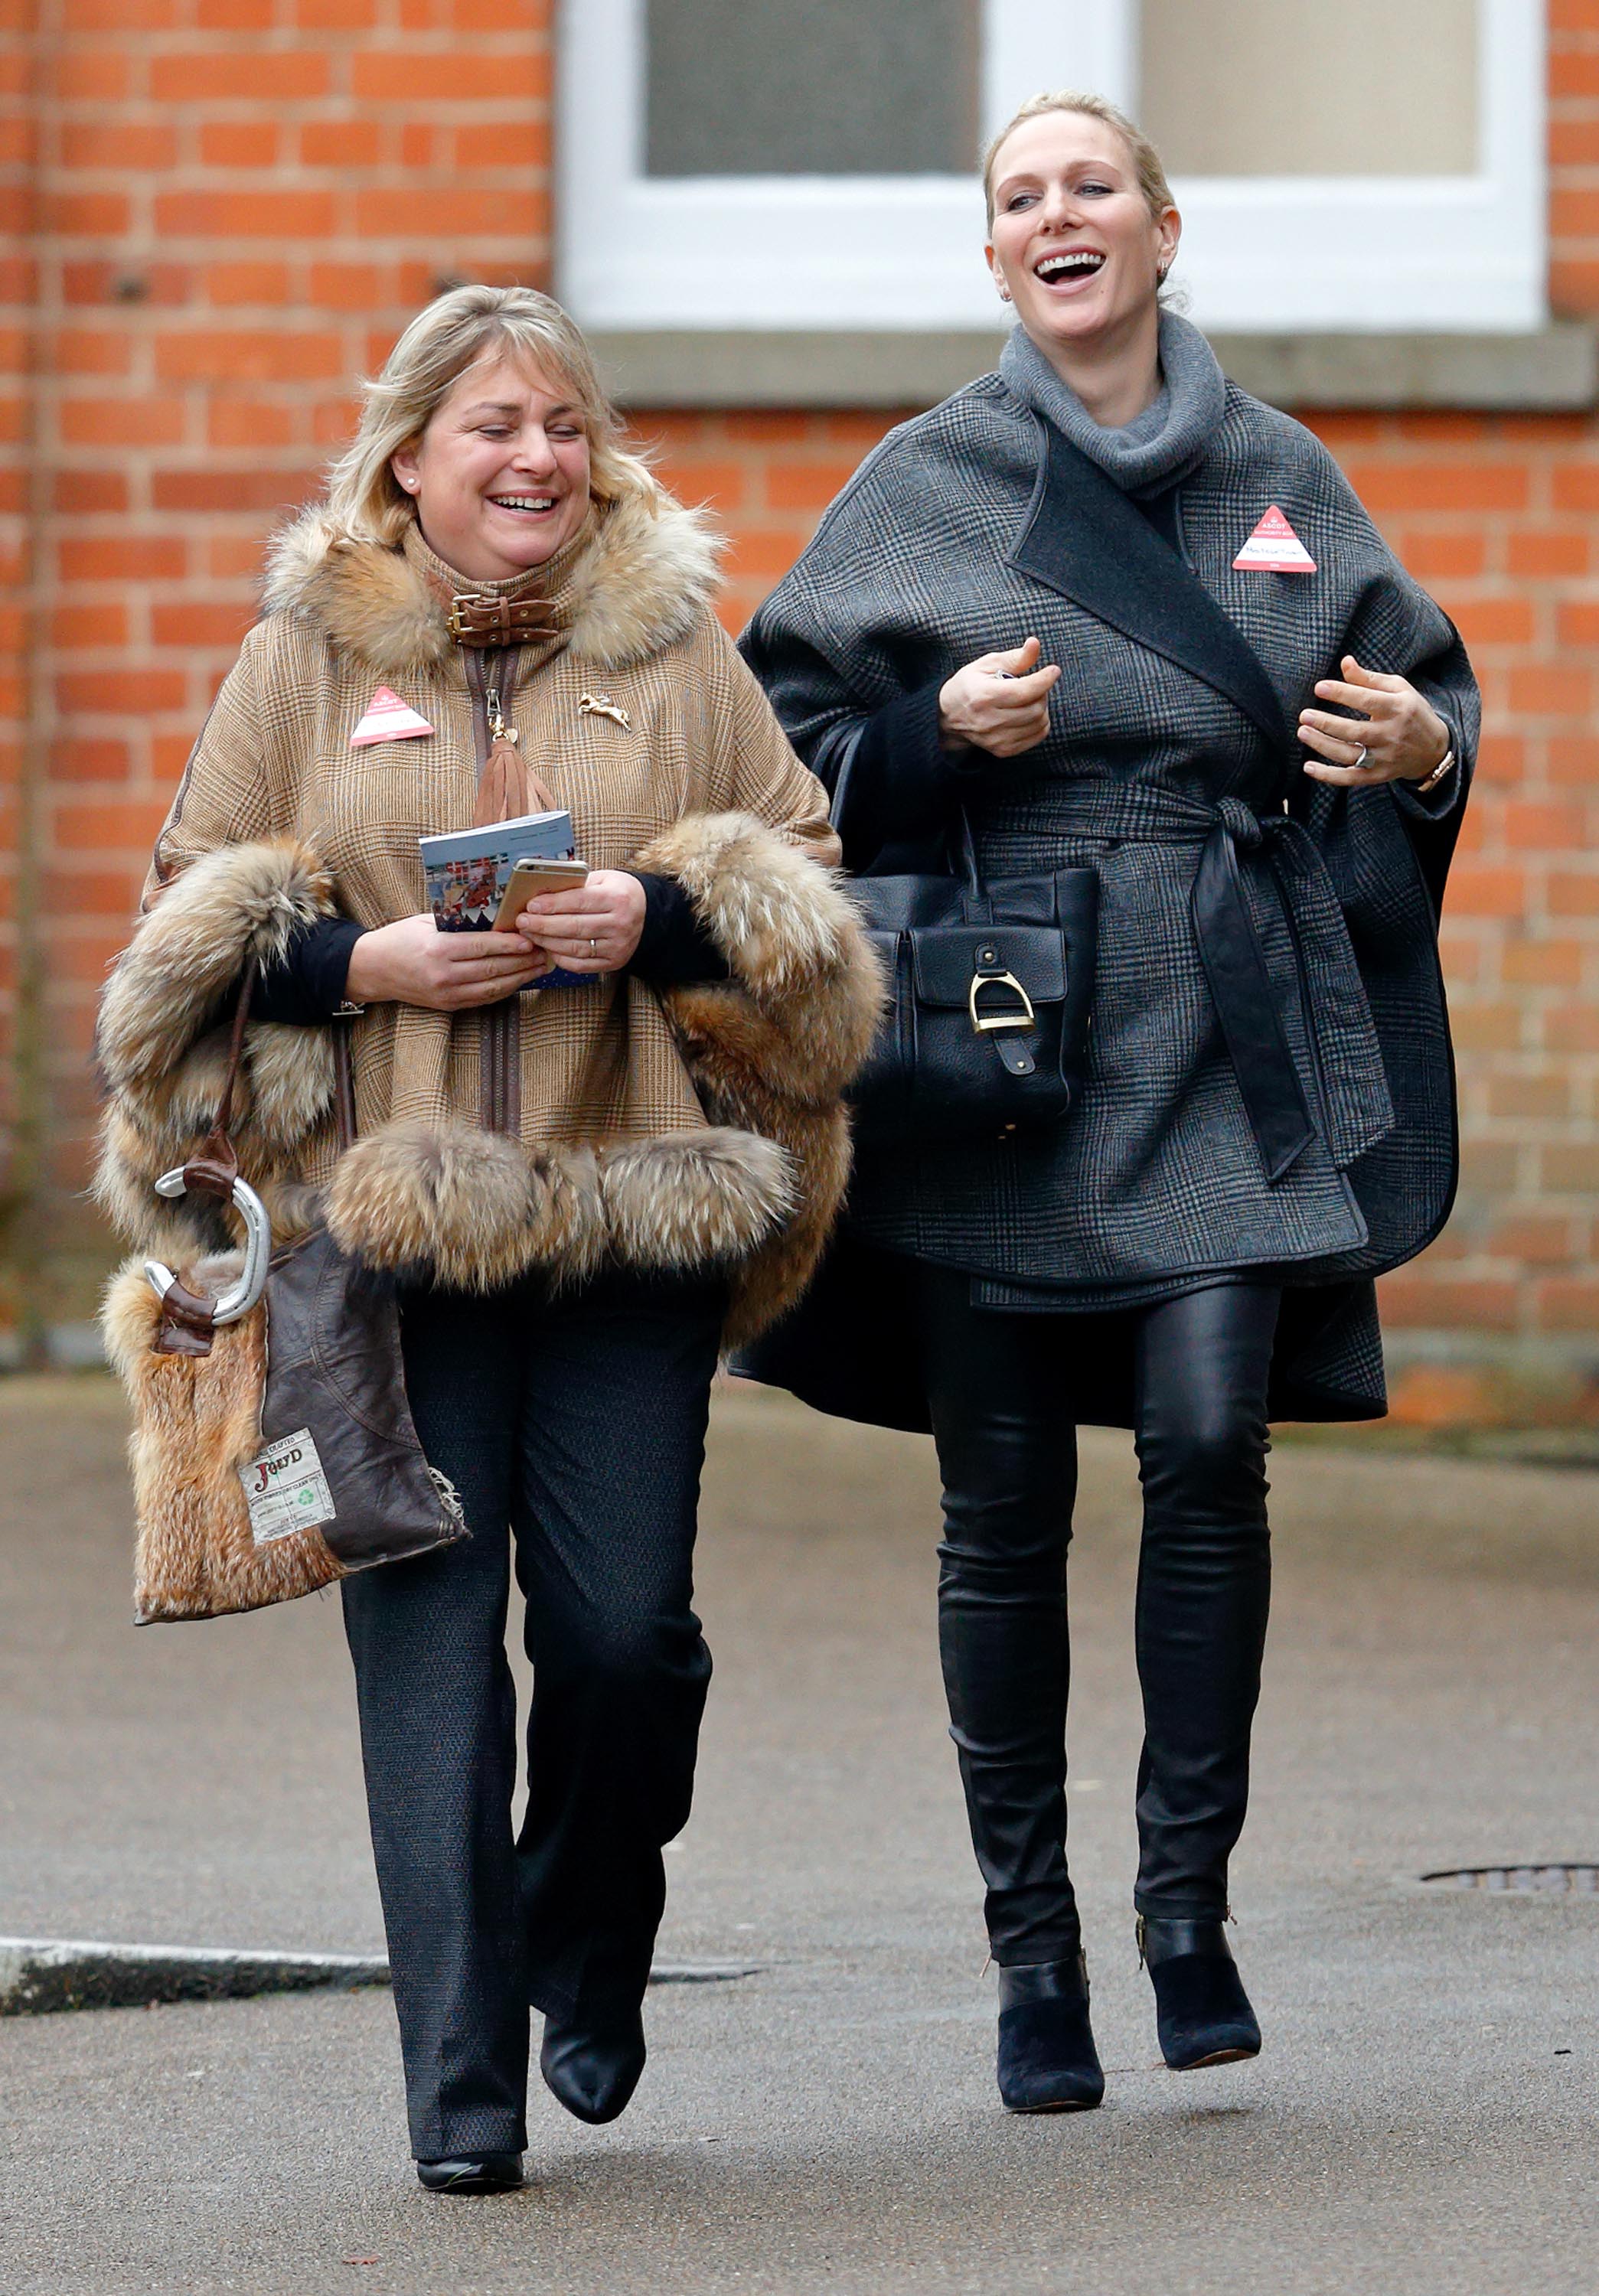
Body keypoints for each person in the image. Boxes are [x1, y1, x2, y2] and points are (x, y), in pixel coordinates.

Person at [93, 285, 879, 2190]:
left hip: (638, 1206)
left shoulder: (682, 646)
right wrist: (360, 957)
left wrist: (662, 921)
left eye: (563, 428)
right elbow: (179, 932)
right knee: (433, 1669)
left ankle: (588, 1940)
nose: (537, 459)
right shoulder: (301, 654)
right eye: (493, 429)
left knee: (622, 1645)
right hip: (389, 1230)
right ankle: (462, 2100)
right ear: (408, 461)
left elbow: (818, 911)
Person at [740, 91, 1477, 2113]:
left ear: (1161, 230)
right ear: (992, 259)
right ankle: (1030, 1956)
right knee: (1001, 1514)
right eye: (1017, 198)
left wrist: (1419, 744)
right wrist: (926, 735)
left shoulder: (1277, 476)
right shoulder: (929, 481)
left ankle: (1182, 1906)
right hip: (1003, 1044)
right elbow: (780, 750)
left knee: (1213, 1451)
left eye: (1090, 187)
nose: (1056, 218)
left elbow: (1416, 691)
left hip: (1228, 1024)